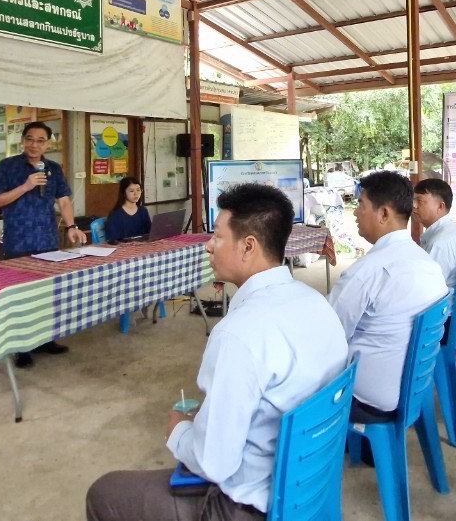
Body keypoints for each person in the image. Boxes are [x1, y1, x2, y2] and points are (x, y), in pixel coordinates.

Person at [85, 184, 348, 521]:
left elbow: (214, 463)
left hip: (250, 507)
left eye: (218, 237)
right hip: (311, 484)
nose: (208, 245)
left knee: (104, 493)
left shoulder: (238, 335)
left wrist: (178, 430)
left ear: (248, 246)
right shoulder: (317, 303)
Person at [329, 170, 447, 423]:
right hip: (413, 384)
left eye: (361, 204)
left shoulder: (366, 272)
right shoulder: (427, 262)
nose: (355, 212)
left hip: (367, 396)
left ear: (384, 214)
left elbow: (329, 335)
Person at [0, 121, 87, 363]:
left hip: (47, 239)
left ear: (48, 144)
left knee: (45, 293)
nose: (34, 145)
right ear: (23, 141)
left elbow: (63, 200)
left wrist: (71, 226)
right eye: (30, 139)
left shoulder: (53, 168)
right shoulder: (7, 166)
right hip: (18, 239)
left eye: (40, 140)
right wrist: (26, 186)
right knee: (20, 295)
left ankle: (44, 340)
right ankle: (20, 348)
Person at [412, 178, 456, 292]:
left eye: (420, 201)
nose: (414, 205)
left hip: (446, 302)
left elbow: (426, 289)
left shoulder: (439, 244)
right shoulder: (454, 231)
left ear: (440, 206)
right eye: (413, 200)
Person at [105, 177, 151, 242]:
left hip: (142, 245)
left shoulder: (143, 211)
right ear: (123, 192)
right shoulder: (116, 214)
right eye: (132, 191)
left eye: (138, 190)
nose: (136, 194)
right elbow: (113, 240)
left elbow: (150, 233)